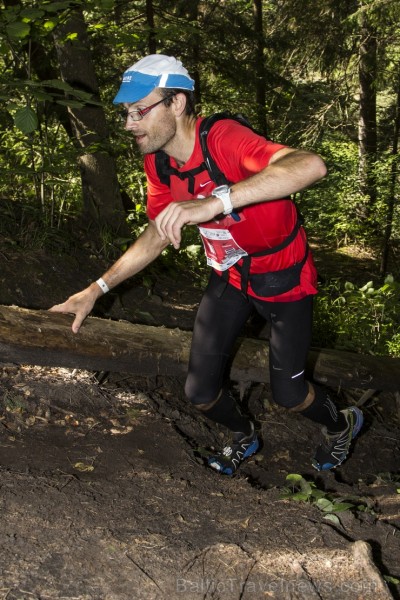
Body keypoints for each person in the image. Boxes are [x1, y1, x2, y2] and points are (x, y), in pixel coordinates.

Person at [50, 54, 363, 476]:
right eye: (126, 113)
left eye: (139, 111)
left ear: (176, 104)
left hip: (283, 276)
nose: (129, 123)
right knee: (198, 393)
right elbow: (159, 233)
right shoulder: (159, 162)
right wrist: (95, 290)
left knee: (289, 394)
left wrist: (217, 201)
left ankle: (342, 424)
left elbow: (311, 165)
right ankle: (243, 436)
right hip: (231, 276)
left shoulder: (223, 139)